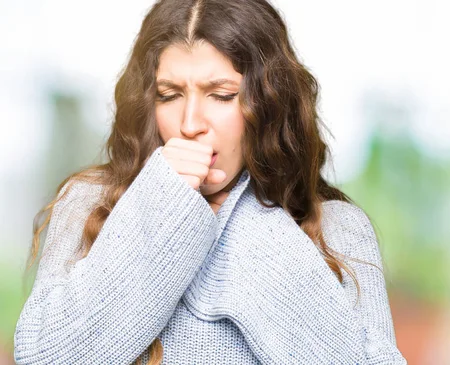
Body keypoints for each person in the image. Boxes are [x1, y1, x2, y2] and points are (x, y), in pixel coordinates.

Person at [13, 0, 408, 364]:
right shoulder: (88, 205)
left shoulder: (340, 230)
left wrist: (248, 221)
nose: (189, 124)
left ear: (268, 103)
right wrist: (161, 204)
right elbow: (45, 357)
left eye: (220, 95)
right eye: (169, 95)